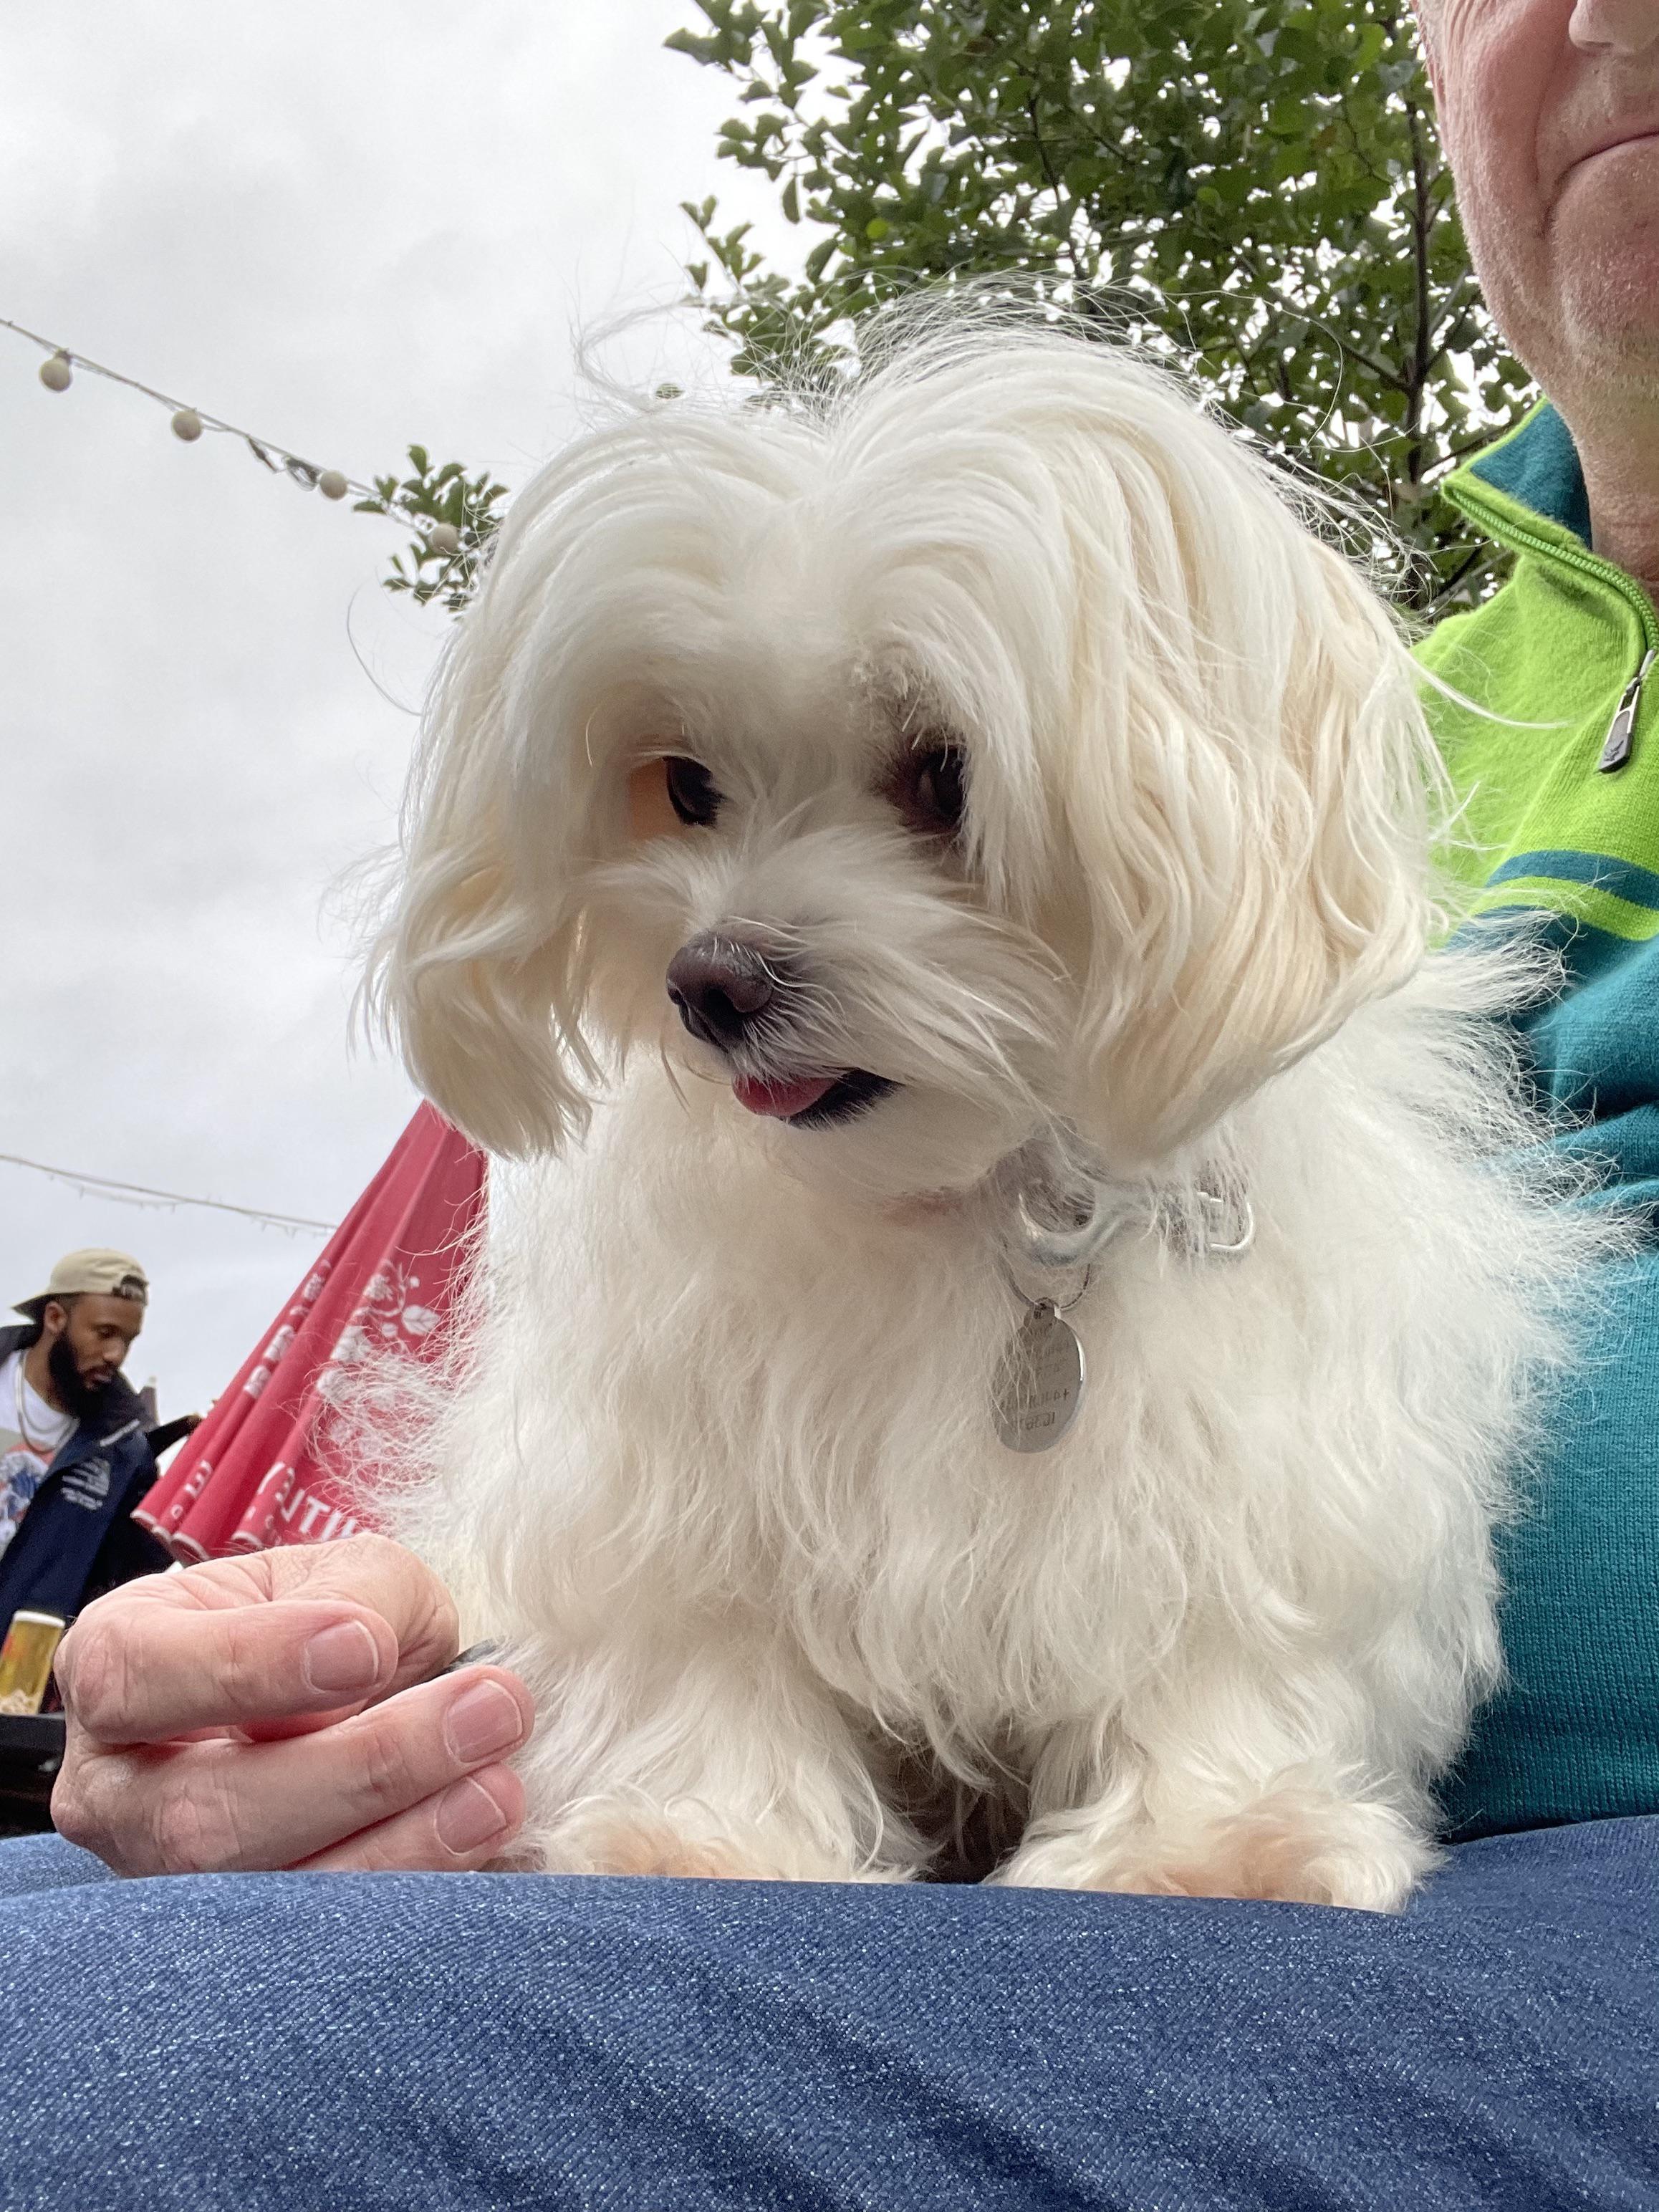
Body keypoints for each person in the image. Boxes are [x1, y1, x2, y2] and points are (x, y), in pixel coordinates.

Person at [1, 4, 1655, 2204]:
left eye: (933, 785)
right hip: (918, 1900)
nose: (728, 946)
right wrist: (439, 1655)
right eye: (689, 790)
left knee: (153, 2082)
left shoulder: (1298, 836)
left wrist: (1225, 1739)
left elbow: (1344, 1475)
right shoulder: (1449, 708)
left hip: (1500, 1903)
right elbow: (657, 1517)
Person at [0, 1249, 170, 1649]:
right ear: (55, 1318)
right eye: (105, 1333)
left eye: (127, 1340)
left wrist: (194, 1479)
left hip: (16, 1670)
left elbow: (123, 1577)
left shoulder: (125, 1449)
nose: (116, 1355)